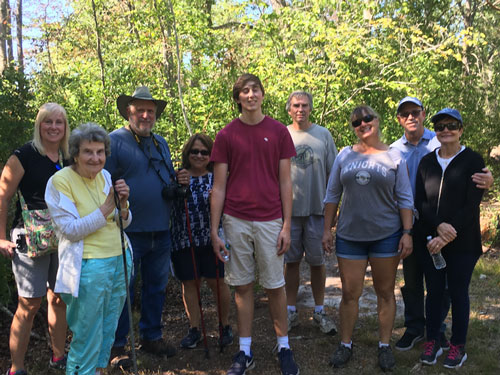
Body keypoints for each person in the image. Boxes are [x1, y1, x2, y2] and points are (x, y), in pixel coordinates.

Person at [210, 73, 299, 375]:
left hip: (271, 219)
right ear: (237, 99)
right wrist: (214, 230)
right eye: (244, 91)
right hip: (235, 220)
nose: (250, 95)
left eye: (255, 90)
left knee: (275, 285)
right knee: (243, 286)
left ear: (263, 94)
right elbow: (218, 186)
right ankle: (245, 351)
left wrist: (287, 225)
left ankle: (283, 346)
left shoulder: (278, 132)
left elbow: (286, 182)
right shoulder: (226, 135)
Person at [390, 97, 493, 351]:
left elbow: (472, 197)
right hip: (415, 227)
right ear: (399, 120)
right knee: (415, 282)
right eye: (405, 114)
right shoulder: (393, 150)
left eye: (415, 112)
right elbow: (418, 198)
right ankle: (417, 329)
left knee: (449, 289)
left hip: (455, 234)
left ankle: (440, 333)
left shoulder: (442, 144)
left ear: (423, 115)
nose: (446, 130)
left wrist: (488, 178)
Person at [322, 105, 414, 372]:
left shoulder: (395, 156)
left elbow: (405, 198)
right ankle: (346, 343)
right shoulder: (344, 155)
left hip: (386, 235)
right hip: (350, 236)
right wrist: (327, 229)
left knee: (385, 292)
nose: (362, 124)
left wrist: (407, 233)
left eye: (367, 119)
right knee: (350, 293)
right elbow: (331, 195)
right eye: (356, 122)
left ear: (377, 120)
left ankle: (384, 346)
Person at [105, 86, 189, 366]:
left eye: (150, 111)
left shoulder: (160, 143)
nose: (145, 115)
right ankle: (117, 345)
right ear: (129, 112)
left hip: (160, 229)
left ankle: (151, 336)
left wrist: (179, 181)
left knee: (156, 286)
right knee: (123, 289)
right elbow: (101, 181)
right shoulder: (115, 141)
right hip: (128, 231)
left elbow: (162, 179)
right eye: (139, 110)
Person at [45, 122, 132, 375]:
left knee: (108, 327)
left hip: (119, 259)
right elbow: (70, 230)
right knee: (86, 333)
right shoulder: (59, 181)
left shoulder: (105, 176)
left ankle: (98, 371)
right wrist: (107, 207)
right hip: (88, 266)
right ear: (75, 154)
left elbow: (122, 222)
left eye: (100, 152)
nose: (95, 158)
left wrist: (123, 206)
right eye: (88, 152)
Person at [0, 103, 69, 375]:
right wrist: (1, 237)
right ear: (39, 125)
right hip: (29, 237)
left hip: (63, 236)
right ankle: (16, 368)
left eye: (59, 122)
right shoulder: (24, 155)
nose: (53, 127)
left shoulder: (68, 156)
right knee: (29, 304)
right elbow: (3, 196)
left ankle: (58, 357)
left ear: (65, 127)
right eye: (47, 122)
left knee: (59, 298)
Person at [415, 108, 484, 368]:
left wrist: (447, 234)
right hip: (430, 240)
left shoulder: (473, 161)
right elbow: (420, 202)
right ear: (436, 130)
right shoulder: (426, 162)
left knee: (458, 293)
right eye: (440, 126)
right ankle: (432, 340)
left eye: (451, 125)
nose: (446, 130)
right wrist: (437, 229)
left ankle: (458, 346)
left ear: (461, 129)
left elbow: (471, 204)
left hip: (464, 243)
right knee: (432, 292)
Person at [171, 133, 233, 349]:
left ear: (211, 155)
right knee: (190, 283)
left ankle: (224, 325)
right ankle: (194, 328)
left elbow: (229, 206)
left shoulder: (218, 177)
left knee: (218, 283)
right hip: (183, 238)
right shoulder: (177, 176)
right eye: (194, 151)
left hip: (213, 239)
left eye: (204, 152)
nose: (199, 155)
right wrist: (178, 185)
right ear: (187, 153)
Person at [283, 91, 338, 335]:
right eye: (296, 105)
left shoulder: (323, 135)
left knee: (317, 263)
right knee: (291, 262)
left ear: (311, 108)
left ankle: (319, 311)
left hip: (317, 211)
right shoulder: (281, 134)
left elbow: (333, 177)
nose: (300, 109)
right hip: (289, 213)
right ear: (289, 109)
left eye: (305, 105)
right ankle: (290, 311)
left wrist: (331, 214)